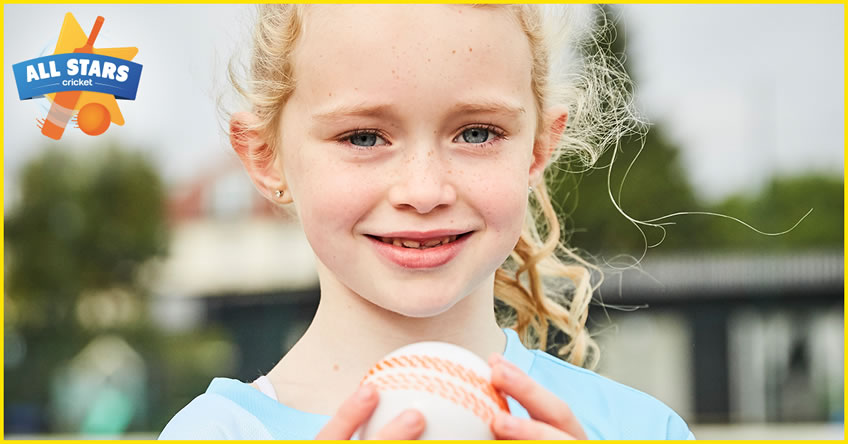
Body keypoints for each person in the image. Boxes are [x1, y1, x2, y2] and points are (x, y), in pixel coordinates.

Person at [159, 4, 694, 440]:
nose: (424, 192)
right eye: (363, 138)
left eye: (477, 134)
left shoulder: (640, 430)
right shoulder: (215, 433)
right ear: (265, 157)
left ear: (538, 148)